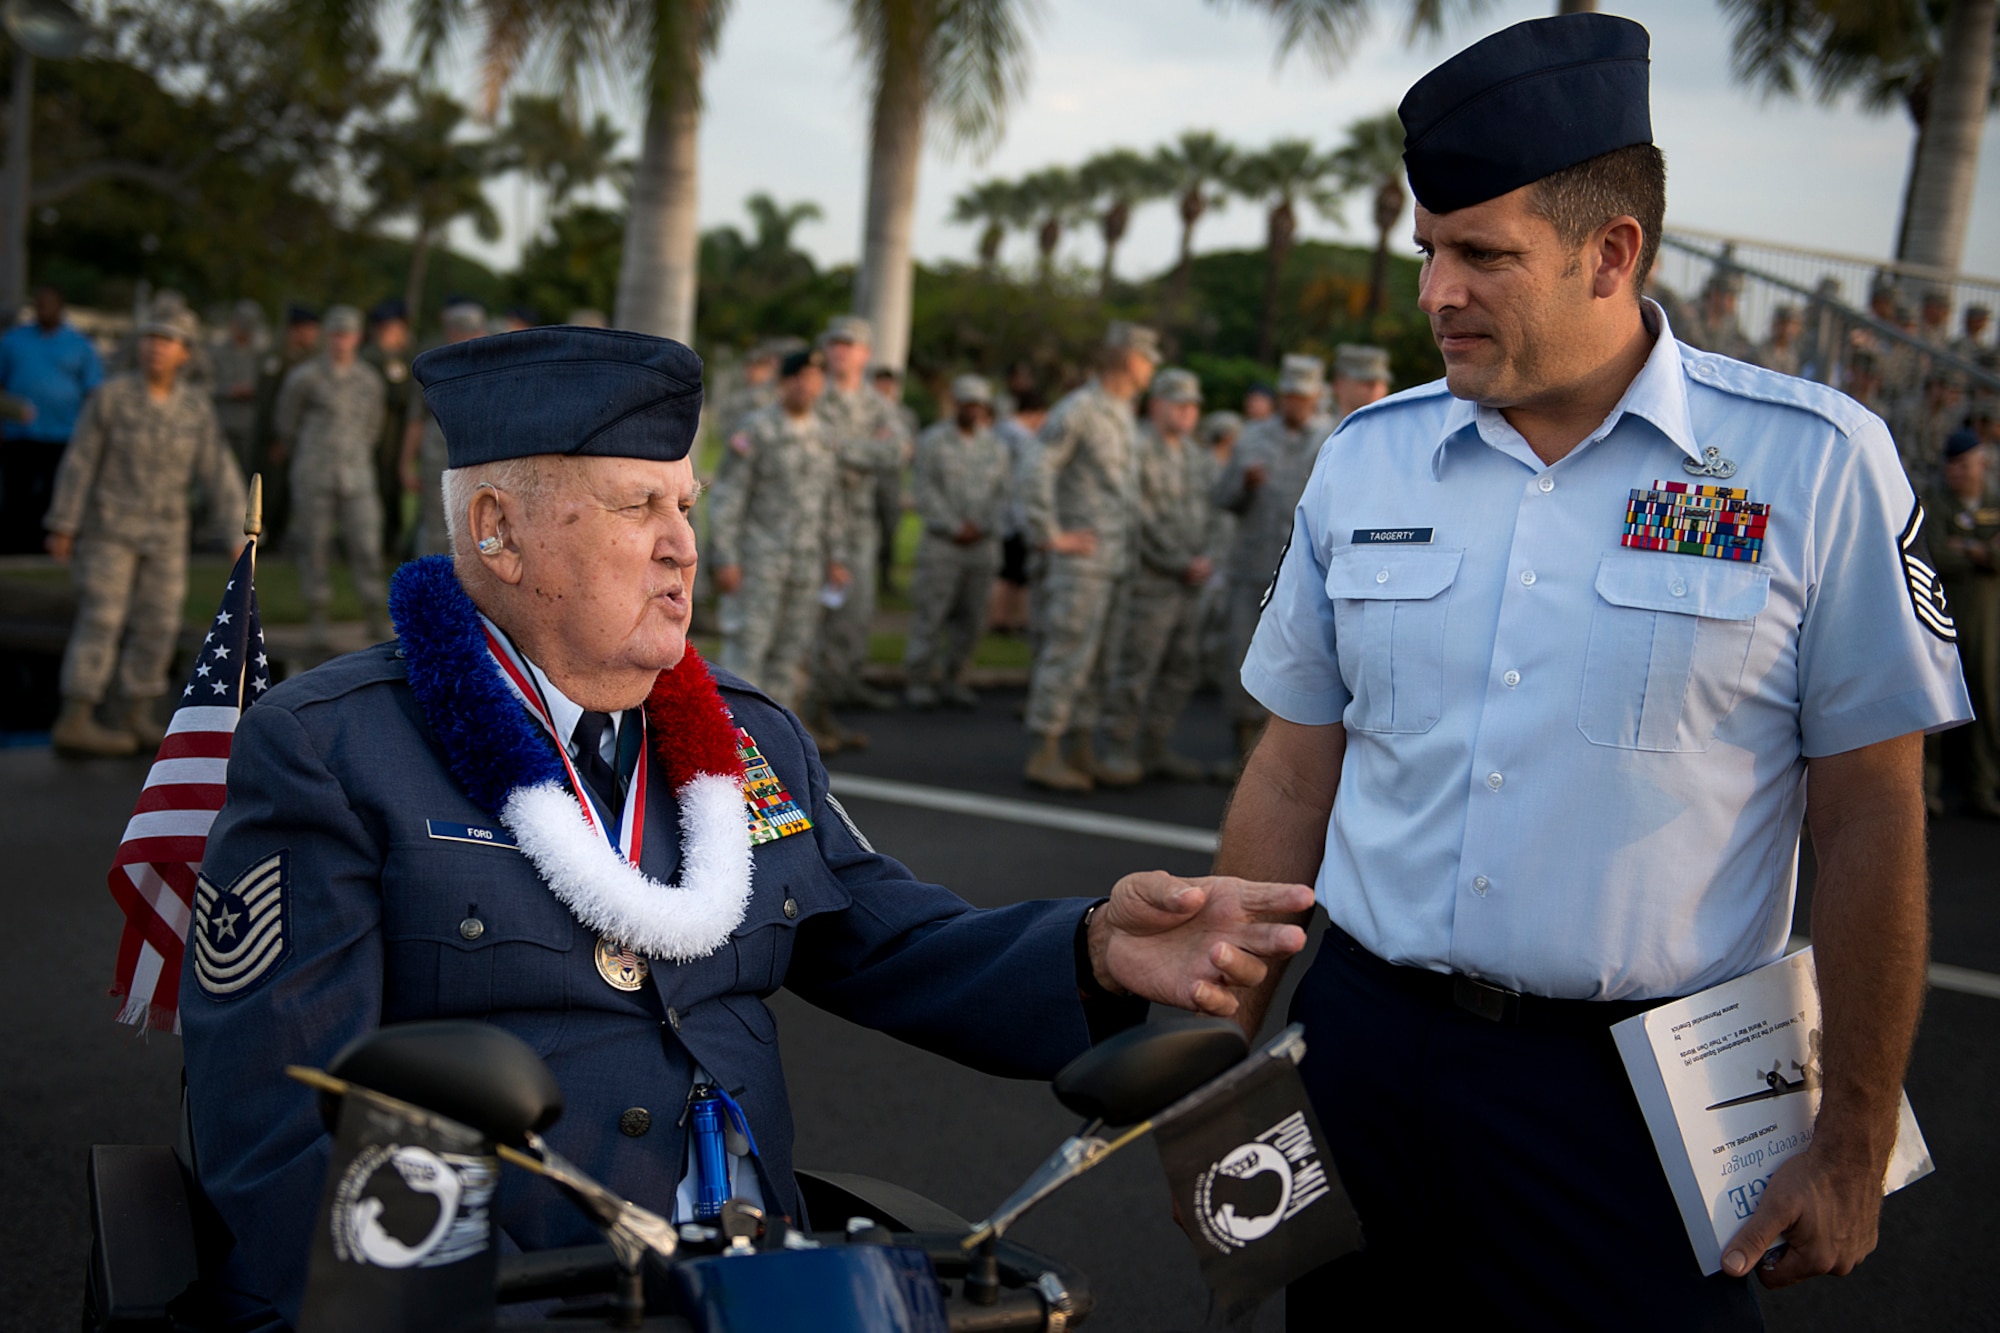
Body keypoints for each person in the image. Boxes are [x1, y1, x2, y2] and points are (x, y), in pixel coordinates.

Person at [177, 325, 1313, 1329]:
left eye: (687, 505)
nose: (683, 545)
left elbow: (895, 942)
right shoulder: (334, 748)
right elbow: (280, 1121)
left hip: (764, 1283)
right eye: (638, 507)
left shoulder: (748, 740)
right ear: (496, 528)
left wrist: (1098, 948)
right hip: (509, 1290)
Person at [1215, 15, 1971, 1329]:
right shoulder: (1369, 461)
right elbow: (1292, 767)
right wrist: (1218, 1070)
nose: (1436, 292)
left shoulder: (1810, 467)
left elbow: (1869, 814)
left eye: (1482, 256)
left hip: (1640, 1100)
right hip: (1364, 1060)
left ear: (1611, 251)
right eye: (1427, 252)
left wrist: (1850, 1140)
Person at [42, 303, 246, 756]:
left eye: (167, 340)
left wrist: (237, 529)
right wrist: (64, 523)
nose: (156, 347)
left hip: (167, 533)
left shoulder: (194, 409)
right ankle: (76, 717)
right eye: (150, 337)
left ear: (185, 353)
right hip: (109, 529)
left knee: (159, 621)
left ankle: (137, 712)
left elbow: (217, 471)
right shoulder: (110, 397)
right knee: (102, 618)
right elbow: (80, 463)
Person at [1020, 321, 1160, 791]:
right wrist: (1049, 534)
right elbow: (1037, 466)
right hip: (1083, 563)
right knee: (1068, 655)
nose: (1152, 367)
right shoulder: (1079, 408)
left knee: (1101, 660)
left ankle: (1079, 748)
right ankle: (1045, 751)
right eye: (1147, 357)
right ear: (1127, 358)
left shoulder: (1121, 413)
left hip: (1116, 561)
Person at [1211, 354, 1334, 774]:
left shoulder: (1335, 438)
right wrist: (1243, 483)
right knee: (1243, 658)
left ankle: (1283, 762)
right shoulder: (1252, 437)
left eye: (1302, 397)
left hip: (1307, 577)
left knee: (1299, 664)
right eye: (1288, 396)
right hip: (1253, 567)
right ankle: (1241, 750)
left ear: (1317, 396)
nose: (1294, 404)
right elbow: (1222, 498)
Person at [710, 348, 847, 714]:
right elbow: (728, 497)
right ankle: (734, 745)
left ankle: (781, 745)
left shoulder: (825, 435)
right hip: (759, 561)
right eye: (800, 378)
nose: (808, 386)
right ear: (785, 383)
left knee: (792, 654)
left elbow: (832, 501)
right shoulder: (756, 429)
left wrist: (837, 557)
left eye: (815, 379)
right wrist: (725, 558)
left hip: (806, 564)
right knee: (747, 651)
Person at [1097, 368, 1216, 784]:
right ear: (1156, 405)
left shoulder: (1199, 456)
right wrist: (1177, 560)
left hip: (1191, 582)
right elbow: (1137, 519)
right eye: (1178, 404)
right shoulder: (1137, 451)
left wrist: (1206, 558)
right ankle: (1117, 747)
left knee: (1181, 668)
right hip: (1151, 581)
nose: (1187, 413)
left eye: (1192, 406)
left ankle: (1155, 745)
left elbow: (1215, 514)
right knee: (1136, 667)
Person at [275, 305, 388, 646]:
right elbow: (286, 423)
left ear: (357, 337)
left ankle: (375, 614)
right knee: (314, 546)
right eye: (335, 334)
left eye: (348, 334)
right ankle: (317, 617)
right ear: (327, 336)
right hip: (314, 472)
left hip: (356, 474)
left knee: (367, 544)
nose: (341, 341)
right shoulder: (304, 377)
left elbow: (374, 425)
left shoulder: (369, 380)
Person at [813, 316, 906, 726]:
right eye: (834, 343)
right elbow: (814, 449)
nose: (840, 351)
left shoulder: (878, 405)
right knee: (815, 618)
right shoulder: (815, 397)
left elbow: (898, 452)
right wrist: (867, 448)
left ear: (866, 354)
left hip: (860, 525)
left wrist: (843, 449)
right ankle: (814, 703)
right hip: (814, 521)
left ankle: (843, 687)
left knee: (857, 611)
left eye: (849, 344)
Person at [903, 375, 1008, 711]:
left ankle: (956, 679)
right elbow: (925, 490)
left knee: (973, 619)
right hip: (943, 545)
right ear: (956, 404)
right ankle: (919, 681)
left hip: (982, 546)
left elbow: (1004, 494)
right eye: (966, 403)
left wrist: (983, 526)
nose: (972, 410)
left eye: (978, 404)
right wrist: (953, 526)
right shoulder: (933, 441)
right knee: (931, 615)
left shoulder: (995, 447)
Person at [1921, 429, 2000, 818]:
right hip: (1945, 613)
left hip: (1987, 618)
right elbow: (1934, 550)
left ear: (1981, 463)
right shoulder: (1937, 503)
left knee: (1987, 699)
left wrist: (1965, 546)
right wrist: (1981, 551)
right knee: (1938, 697)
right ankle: (1928, 787)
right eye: (1951, 466)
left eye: (1964, 465)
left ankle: (1983, 785)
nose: (1957, 473)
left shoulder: (1995, 500)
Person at [0, 285, 104, 553]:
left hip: (64, 432)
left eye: (49, 304)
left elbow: (93, 389)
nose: (43, 309)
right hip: (19, 433)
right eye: (39, 304)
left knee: (54, 492)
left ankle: (49, 546)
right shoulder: (13, 341)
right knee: (18, 492)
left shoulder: (79, 345)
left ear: (61, 307)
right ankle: (15, 546)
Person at [403, 300, 487, 557]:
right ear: (451, 333)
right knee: (436, 527)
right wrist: (406, 463)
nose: (471, 338)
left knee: (478, 527)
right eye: (464, 332)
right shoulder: (433, 369)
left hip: (479, 460)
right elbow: (416, 421)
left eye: (475, 331)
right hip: (439, 458)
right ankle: (432, 588)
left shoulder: (492, 369)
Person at [249, 305, 320, 549]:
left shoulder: (310, 358)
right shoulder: (277, 358)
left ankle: (278, 537)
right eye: (309, 329)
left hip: (298, 437)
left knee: (288, 490)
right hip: (274, 438)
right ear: (296, 330)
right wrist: (275, 438)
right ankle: (264, 539)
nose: (313, 335)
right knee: (271, 489)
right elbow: (268, 401)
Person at [989, 387, 1048, 636]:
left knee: (1008, 571)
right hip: (1016, 513)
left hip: (999, 511)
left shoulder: (999, 430)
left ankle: (1002, 619)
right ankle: (1014, 620)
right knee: (1017, 572)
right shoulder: (1023, 437)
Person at [361, 299, 414, 559]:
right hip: (381, 435)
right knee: (380, 487)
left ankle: (390, 539)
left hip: (393, 436)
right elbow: (398, 393)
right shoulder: (376, 357)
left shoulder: (394, 358)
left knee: (391, 488)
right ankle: (382, 542)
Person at [872, 364, 919, 594]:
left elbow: (911, 451)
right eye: (880, 382)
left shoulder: (905, 415)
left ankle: (885, 579)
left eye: (888, 383)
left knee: (890, 532)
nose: (884, 387)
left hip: (892, 481)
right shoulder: (865, 412)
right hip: (867, 480)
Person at [210, 300, 267, 469]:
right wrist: (230, 391)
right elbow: (204, 386)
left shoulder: (261, 355)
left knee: (248, 473)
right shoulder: (217, 353)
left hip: (250, 426)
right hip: (221, 423)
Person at [1330, 345, 1393, 421]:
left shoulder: (1395, 428)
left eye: (1382, 383)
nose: (1375, 388)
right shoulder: (1320, 430)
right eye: (1367, 382)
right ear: (1339, 384)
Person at [1759, 303, 1805, 377]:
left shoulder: (1798, 356)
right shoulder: (1761, 352)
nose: (1788, 329)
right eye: (1783, 323)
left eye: (1793, 325)